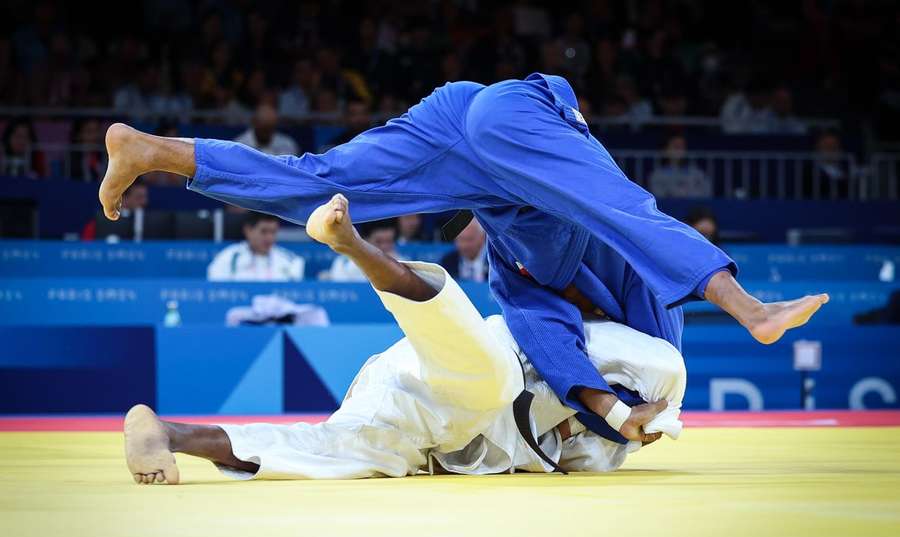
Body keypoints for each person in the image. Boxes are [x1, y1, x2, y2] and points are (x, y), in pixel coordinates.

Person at [98, 72, 828, 445]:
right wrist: (720, 319)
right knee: (619, 208)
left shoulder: (518, 270)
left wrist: (608, 409)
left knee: (315, 182)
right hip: (512, 115)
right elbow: (632, 222)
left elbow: (548, 335)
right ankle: (748, 304)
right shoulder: (628, 283)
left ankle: (152, 151)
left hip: (457, 130)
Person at [123, 195, 681, 484]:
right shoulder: (555, 321)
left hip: (437, 440)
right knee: (488, 375)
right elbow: (547, 343)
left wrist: (618, 416)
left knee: (327, 453)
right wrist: (607, 407)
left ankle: (169, 434)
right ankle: (356, 247)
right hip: (456, 380)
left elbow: (596, 434)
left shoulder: (641, 338)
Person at [207, 212, 304, 282]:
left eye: (273, 232)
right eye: (264, 231)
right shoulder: (228, 257)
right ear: (248, 230)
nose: (269, 238)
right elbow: (216, 288)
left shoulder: (292, 260)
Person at [325, 218, 399, 282]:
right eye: (379, 242)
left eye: (389, 241)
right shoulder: (343, 264)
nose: (384, 247)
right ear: (365, 240)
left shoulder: (403, 264)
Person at [648, 134, 712, 198]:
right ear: (666, 149)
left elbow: (706, 191)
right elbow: (657, 195)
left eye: (681, 146)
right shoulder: (657, 174)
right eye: (675, 146)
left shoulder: (696, 172)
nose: (679, 149)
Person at [81, 179, 147, 241]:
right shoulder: (98, 223)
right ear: (123, 198)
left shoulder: (149, 224)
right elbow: (85, 247)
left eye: (145, 197)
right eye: (139, 197)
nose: (144, 202)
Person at [233, 103, 298, 156]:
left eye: (270, 129)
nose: (267, 134)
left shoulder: (287, 144)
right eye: (264, 129)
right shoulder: (239, 145)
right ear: (254, 123)